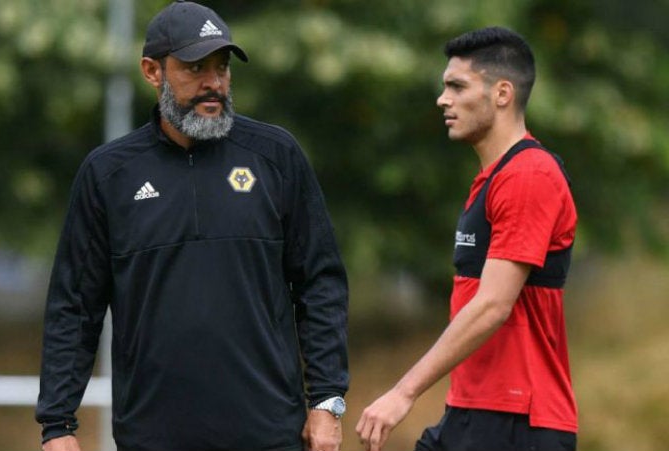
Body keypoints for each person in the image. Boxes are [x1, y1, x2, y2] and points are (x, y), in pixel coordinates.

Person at [34, 2, 349, 451]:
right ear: (152, 71)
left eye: (221, 68)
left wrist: (327, 399)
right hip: (153, 437)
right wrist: (58, 424)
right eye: (195, 68)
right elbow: (74, 305)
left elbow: (321, 284)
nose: (213, 84)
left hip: (270, 435)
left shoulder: (276, 156)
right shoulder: (107, 174)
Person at [356, 26, 578, 451]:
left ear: (502, 94)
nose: (443, 99)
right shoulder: (491, 180)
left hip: (518, 421)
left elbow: (494, 304)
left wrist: (404, 391)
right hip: (474, 412)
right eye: (445, 87)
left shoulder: (530, 174)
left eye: (457, 86)